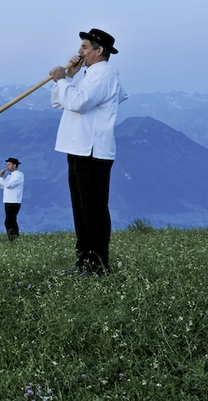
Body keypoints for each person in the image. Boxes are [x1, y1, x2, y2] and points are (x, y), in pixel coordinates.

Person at [49, 28, 128, 277]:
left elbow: (79, 103)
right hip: (78, 147)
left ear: (98, 50)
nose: (79, 51)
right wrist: (69, 77)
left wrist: (63, 79)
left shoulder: (104, 75)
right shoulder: (90, 74)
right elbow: (59, 102)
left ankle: (98, 265)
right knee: (81, 209)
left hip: (92, 150)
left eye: (84, 47)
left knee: (93, 210)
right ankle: (84, 261)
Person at [0, 157, 24, 242]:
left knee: (9, 221)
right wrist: (1, 177)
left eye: (9, 164)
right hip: (8, 201)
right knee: (11, 220)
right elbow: (1, 186)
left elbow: (9, 185)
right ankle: (14, 239)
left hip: (14, 201)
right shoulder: (9, 176)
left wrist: (0, 178)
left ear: (14, 165)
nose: (7, 166)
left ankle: (13, 239)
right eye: (7, 164)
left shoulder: (19, 175)